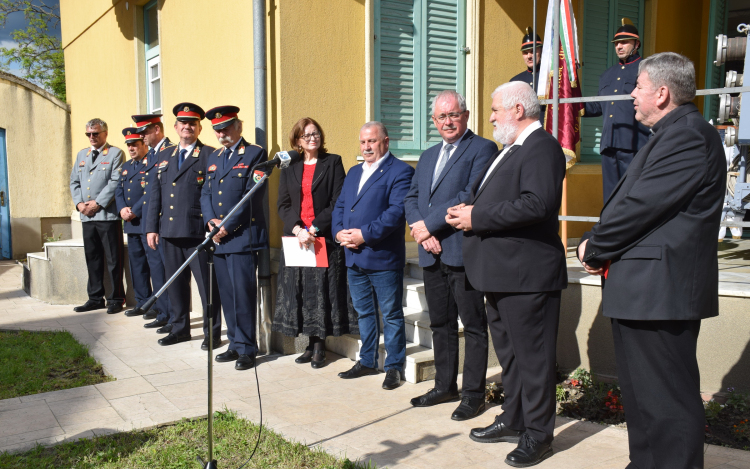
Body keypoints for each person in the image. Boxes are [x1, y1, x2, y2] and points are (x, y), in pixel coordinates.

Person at [578, 52, 725, 469]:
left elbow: (642, 206)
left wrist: (595, 245)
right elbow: (633, 205)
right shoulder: (668, 134)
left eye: (637, 87)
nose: (631, 95)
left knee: (667, 402)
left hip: (660, 291)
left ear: (662, 93)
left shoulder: (689, 135)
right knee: (643, 398)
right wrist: (597, 240)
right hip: (642, 289)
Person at [446, 81, 567, 467]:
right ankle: (514, 419)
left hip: (527, 276)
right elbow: (502, 199)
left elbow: (537, 204)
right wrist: (467, 210)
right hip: (500, 274)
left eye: (496, 109)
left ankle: (538, 434)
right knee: (512, 358)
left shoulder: (542, 147)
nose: (492, 116)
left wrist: (475, 217)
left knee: (533, 360)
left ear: (518, 109)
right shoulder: (510, 149)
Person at [404, 90, 496, 420]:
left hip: (462, 250)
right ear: (434, 122)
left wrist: (429, 227)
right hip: (432, 253)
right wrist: (419, 228)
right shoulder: (428, 156)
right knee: (440, 323)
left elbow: (467, 195)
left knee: (472, 325)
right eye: (441, 117)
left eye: (453, 115)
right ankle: (445, 385)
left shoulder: (483, 149)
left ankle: (473, 394)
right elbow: (412, 196)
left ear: (466, 115)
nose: (448, 122)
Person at [332, 122, 414, 390]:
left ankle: (394, 367)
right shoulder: (354, 172)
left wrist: (363, 235)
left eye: (372, 141)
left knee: (390, 314)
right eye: (363, 142)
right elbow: (341, 206)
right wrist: (338, 234)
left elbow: (395, 213)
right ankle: (367, 360)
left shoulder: (401, 171)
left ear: (385, 142)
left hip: (382, 256)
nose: (367, 147)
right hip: (353, 256)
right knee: (364, 312)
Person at [273, 117, 357, 369]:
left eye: (316, 134)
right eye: (307, 135)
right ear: (297, 140)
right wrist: (298, 230)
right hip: (298, 239)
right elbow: (283, 204)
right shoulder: (289, 166)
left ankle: (320, 346)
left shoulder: (333, 162)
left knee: (320, 292)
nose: (313, 138)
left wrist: (314, 229)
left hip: (322, 238)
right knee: (302, 293)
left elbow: (337, 201)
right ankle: (309, 344)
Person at [145, 102, 221, 350]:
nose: (187, 127)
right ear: (176, 127)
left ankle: (212, 334)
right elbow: (154, 194)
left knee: (206, 287)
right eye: (183, 123)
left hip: (197, 232)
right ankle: (179, 330)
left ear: (199, 128)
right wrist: (151, 228)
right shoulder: (164, 156)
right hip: (168, 232)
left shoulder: (210, 154)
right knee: (175, 286)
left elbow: (213, 194)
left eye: (193, 124)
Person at [200, 105, 266, 371]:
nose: (222, 134)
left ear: (238, 127)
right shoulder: (214, 157)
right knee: (227, 295)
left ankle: (249, 348)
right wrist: (211, 222)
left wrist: (227, 225)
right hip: (219, 238)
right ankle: (235, 343)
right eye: (217, 130)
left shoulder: (254, 153)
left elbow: (253, 194)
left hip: (242, 236)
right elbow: (205, 193)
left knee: (243, 295)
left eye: (226, 128)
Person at [583, 18, 650, 200]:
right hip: (609, 143)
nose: (619, 46)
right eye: (616, 43)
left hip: (635, 143)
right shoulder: (608, 74)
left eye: (624, 42)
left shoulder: (647, 70)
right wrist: (576, 106)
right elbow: (599, 106)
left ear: (636, 44)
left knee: (633, 196)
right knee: (611, 197)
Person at [69, 118, 126, 314]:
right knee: (92, 258)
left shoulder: (115, 153)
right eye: (89, 134)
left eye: (96, 134)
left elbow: (115, 181)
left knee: (113, 259)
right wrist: (79, 204)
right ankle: (95, 298)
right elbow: (74, 182)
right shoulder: (81, 155)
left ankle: (116, 298)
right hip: (87, 217)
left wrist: (97, 203)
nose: (92, 137)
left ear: (105, 134)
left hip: (106, 216)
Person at [130, 113, 175, 329]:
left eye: (145, 132)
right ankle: (163, 311)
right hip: (152, 224)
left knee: (167, 272)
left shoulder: (171, 152)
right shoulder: (153, 155)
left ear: (157, 130)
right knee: (156, 270)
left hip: (165, 224)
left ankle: (174, 316)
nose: (142, 136)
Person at [115, 127, 164, 322]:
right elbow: (118, 191)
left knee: (154, 265)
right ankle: (142, 302)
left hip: (146, 221)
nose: (131, 148)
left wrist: (134, 210)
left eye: (135, 144)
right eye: (128, 145)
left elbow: (150, 193)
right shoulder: (126, 167)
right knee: (137, 265)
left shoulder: (149, 165)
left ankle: (157, 305)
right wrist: (121, 210)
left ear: (144, 144)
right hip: (130, 223)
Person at [510, 28, 544, 123]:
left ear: (541, 50)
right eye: (525, 53)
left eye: (533, 51)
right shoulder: (515, 82)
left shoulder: (552, 78)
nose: (529, 56)